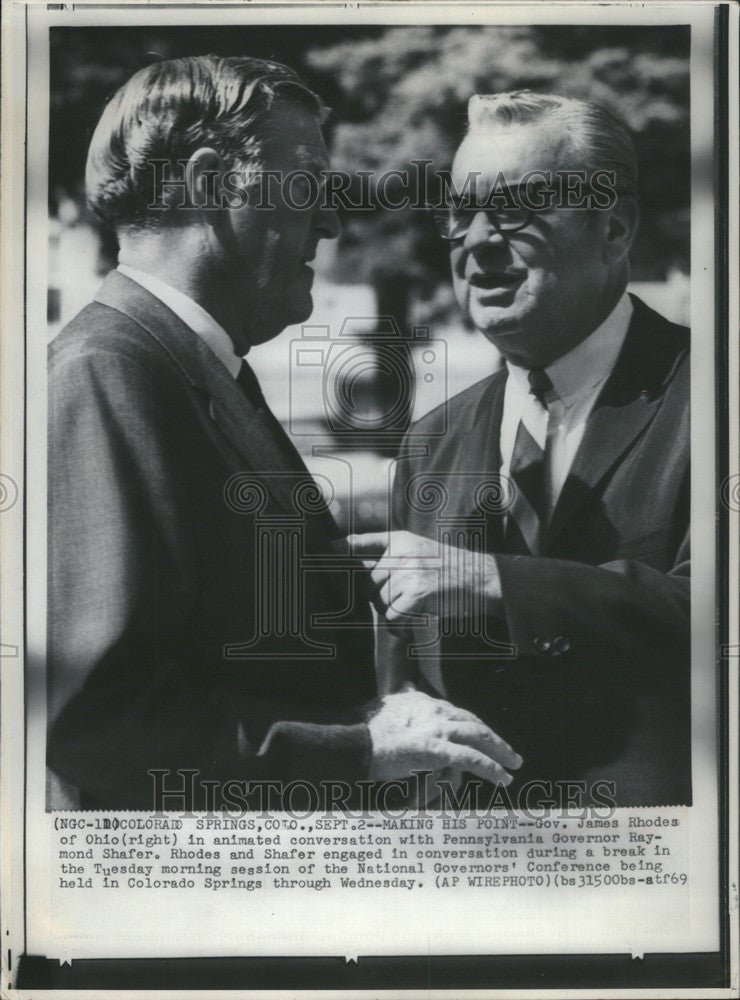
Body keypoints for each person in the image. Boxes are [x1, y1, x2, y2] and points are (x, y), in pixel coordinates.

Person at [46, 57, 522, 810]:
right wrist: (360, 748)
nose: (332, 220)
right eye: (307, 183)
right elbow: (100, 723)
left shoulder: (187, 365)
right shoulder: (109, 373)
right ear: (209, 183)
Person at [352, 92, 691, 807]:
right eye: (459, 213)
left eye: (517, 207)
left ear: (616, 229)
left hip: (654, 872)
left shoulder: (716, 395)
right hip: (472, 878)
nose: (477, 241)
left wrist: (498, 583)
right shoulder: (432, 441)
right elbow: (401, 677)